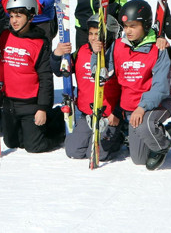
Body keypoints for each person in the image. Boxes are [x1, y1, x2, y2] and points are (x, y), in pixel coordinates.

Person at [100, 0, 171, 170]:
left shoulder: (158, 49)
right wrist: (97, 56)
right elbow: (105, 69)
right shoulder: (118, 46)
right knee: (139, 159)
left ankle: (163, 142)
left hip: (155, 105)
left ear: (145, 25)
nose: (128, 31)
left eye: (133, 26)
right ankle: (149, 132)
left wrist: (142, 107)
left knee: (144, 126)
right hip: (130, 106)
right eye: (126, 26)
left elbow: (161, 86)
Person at [0, 0, 64, 152]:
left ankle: (57, 120)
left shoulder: (39, 42)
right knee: (12, 143)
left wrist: (42, 108)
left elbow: (46, 78)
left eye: (19, 16)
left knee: (34, 146)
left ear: (30, 16)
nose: (14, 20)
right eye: (12, 16)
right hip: (10, 104)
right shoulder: (4, 35)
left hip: (30, 105)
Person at [53, 13, 125, 161]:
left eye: (97, 34)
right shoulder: (81, 51)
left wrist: (117, 112)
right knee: (73, 151)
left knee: (98, 154)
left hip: (109, 116)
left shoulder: (117, 55)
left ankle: (119, 136)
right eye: (91, 34)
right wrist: (56, 55)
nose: (93, 38)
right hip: (88, 115)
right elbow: (60, 71)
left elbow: (127, 88)